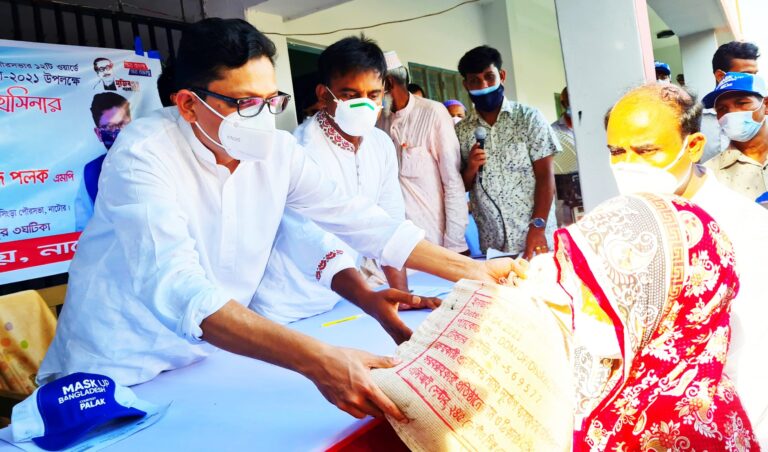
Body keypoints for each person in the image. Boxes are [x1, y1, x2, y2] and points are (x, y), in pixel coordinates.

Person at [38, 18, 520, 422]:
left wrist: (473, 272)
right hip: (116, 367)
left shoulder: (277, 152)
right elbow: (177, 284)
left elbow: (358, 219)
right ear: (187, 104)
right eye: (245, 103)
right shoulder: (143, 154)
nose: (263, 119)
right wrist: (317, 360)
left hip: (206, 356)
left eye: (271, 101)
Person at [605, 82, 768, 445]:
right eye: (616, 152)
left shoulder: (744, 229)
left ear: (693, 146)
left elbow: (754, 362)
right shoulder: (626, 222)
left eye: (646, 151)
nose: (628, 165)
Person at [251, 37, 439, 334]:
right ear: (323, 95)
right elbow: (309, 238)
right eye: (350, 95)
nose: (364, 104)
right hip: (284, 305)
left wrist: (403, 296)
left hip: (342, 300)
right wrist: (367, 298)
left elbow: (389, 222)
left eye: (373, 94)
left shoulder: (380, 144)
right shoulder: (301, 149)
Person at [557, 192, 757, 449]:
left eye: (620, 293)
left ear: (672, 306)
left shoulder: (697, 428)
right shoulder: (608, 366)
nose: (586, 305)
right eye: (589, 283)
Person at [455, 45, 560, 259]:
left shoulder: (529, 118)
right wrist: (472, 168)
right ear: (466, 85)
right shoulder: (461, 131)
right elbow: (460, 187)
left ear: (502, 76)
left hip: (536, 238)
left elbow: (545, 176)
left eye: (489, 77)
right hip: (493, 245)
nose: (484, 86)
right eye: (475, 80)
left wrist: (538, 227)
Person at [377, 50, 468, 254]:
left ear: (388, 83)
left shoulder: (433, 113)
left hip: (433, 240)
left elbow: (453, 183)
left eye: (374, 90)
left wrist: (455, 245)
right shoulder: (380, 120)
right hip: (397, 242)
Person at [703, 72, 768, 202]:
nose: (732, 113)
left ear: (766, 105)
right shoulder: (708, 175)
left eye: (742, 103)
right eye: (721, 108)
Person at [74, 92, 132, 231]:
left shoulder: (156, 157)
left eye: (123, 124)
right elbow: (84, 228)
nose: (118, 132)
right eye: (110, 127)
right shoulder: (91, 173)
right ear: (98, 133)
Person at [700, 41, 761, 163]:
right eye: (747, 75)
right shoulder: (695, 121)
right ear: (720, 76)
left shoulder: (760, 113)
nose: (753, 81)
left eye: (755, 75)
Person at [550, 87, 581, 226]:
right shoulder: (552, 131)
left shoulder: (591, 128)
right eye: (569, 101)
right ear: (563, 104)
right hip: (565, 195)